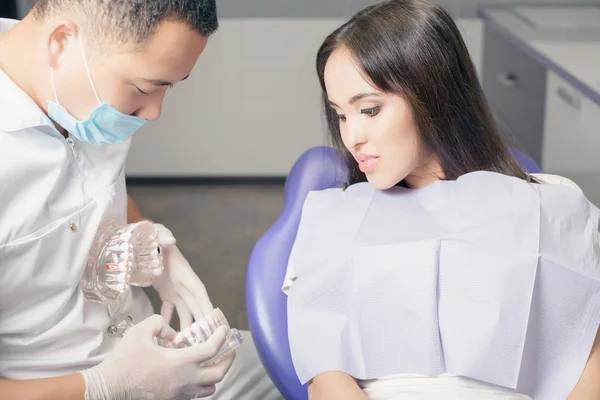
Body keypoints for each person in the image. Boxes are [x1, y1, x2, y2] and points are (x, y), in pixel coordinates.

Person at [281, 0, 600, 399]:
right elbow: (325, 376)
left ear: (433, 94)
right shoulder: (333, 219)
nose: (351, 137)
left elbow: (591, 363)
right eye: (341, 115)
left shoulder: (551, 207)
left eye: (369, 109)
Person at [0, 1, 281, 399]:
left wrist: (145, 238)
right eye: (146, 88)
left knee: (303, 362)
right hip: (67, 388)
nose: (153, 113)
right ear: (62, 42)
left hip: (157, 358)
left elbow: (94, 192)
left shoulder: (77, 93)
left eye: (169, 86)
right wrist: (104, 386)